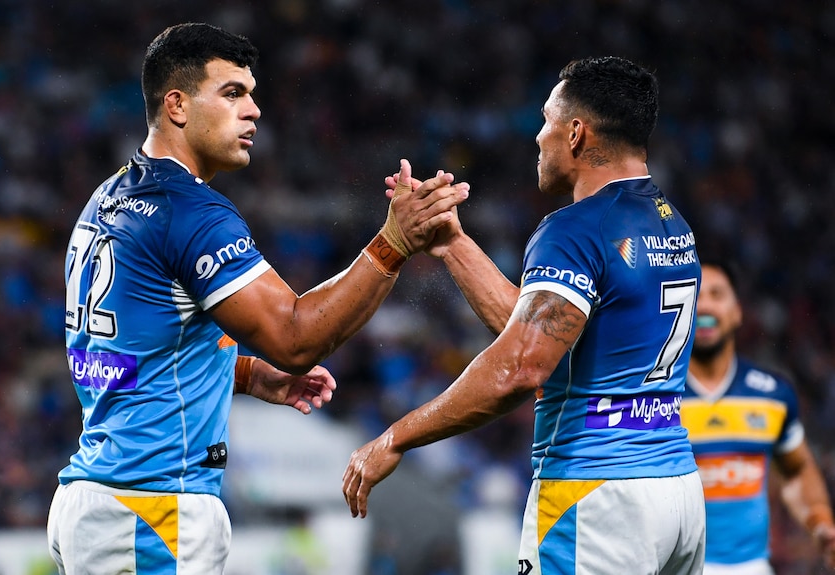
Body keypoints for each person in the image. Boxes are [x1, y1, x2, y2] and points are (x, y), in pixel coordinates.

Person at [47, 22, 469, 574]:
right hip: (150, 510)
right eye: (232, 93)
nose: (254, 111)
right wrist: (393, 243)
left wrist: (245, 374)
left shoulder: (108, 197)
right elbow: (296, 340)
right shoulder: (191, 212)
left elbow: (138, 344)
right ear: (177, 105)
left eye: (251, 94)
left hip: (100, 498)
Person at [342, 56, 706, 574]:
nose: (538, 137)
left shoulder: (576, 229)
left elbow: (521, 367)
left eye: (546, 121)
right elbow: (541, 331)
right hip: (676, 491)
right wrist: (453, 244)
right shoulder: (672, 225)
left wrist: (395, 436)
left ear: (576, 133)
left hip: (595, 494)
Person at [682, 260, 835, 574]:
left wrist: (821, 525)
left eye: (716, 294)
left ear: (738, 312)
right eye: (695, 297)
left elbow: (795, 473)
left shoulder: (772, 396)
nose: (705, 305)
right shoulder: (654, 400)